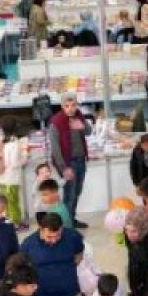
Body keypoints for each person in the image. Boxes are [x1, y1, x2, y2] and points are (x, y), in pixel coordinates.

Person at [21, 211, 86, 296]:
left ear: (62, 228)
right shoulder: (28, 244)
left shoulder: (73, 236)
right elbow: (23, 268)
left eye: (58, 236)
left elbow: (79, 254)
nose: (54, 240)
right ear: (41, 229)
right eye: (49, 237)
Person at [49, 93, 92, 229]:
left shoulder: (78, 116)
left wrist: (82, 126)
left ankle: (71, 220)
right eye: (67, 106)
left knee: (77, 192)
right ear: (62, 106)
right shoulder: (56, 122)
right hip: (68, 163)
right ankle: (67, 227)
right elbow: (55, 149)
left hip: (80, 161)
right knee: (69, 195)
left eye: (73, 105)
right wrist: (64, 168)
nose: (71, 108)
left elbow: (89, 131)